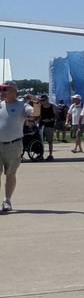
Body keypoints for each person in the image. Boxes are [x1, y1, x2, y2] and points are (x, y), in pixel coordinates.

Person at [1, 82, 35, 212]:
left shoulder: (22, 105)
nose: (2, 92)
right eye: (1, 90)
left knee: (10, 173)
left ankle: (7, 200)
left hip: (13, 145)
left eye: (5, 89)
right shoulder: (0, 105)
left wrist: (36, 102)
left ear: (13, 91)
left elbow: (34, 113)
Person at [37, 94, 56, 160]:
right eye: (41, 100)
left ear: (47, 100)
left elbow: (57, 116)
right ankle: (41, 155)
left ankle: (50, 155)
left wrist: (50, 119)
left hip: (50, 125)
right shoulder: (40, 107)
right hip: (42, 125)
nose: (42, 101)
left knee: (50, 141)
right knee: (40, 141)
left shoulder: (52, 106)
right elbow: (39, 116)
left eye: (43, 100)